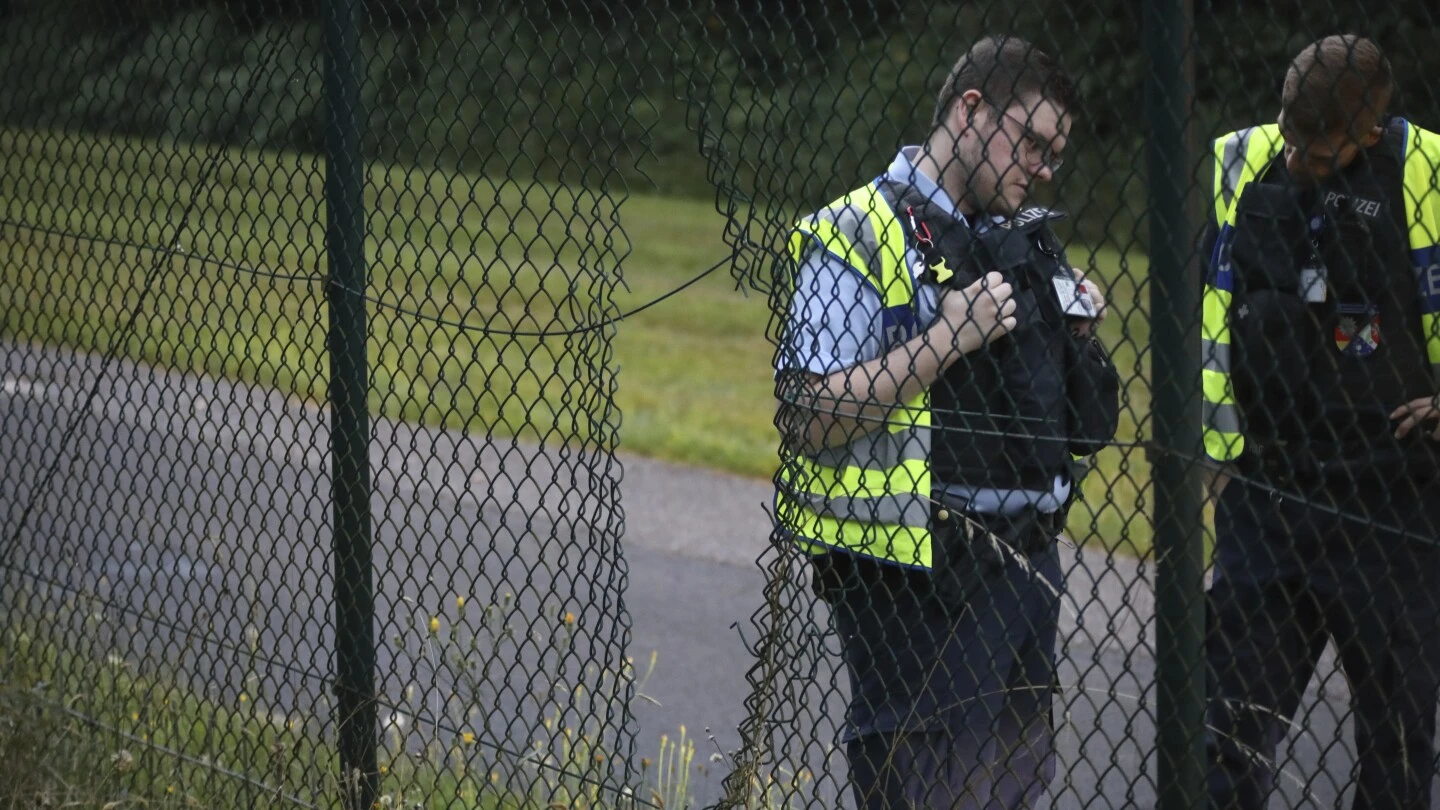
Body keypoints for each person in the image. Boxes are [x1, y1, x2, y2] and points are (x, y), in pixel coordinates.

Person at [769, 34, 1121, 809]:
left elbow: (1085, 429)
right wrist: (946, 341)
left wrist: (1080, 345)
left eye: (1055, 153)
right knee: (925, 790)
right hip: (913, 574)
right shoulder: (858, 229)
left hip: (1028, 564)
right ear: (970, 111)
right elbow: (806, 413)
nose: (1042, 167)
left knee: (1010, 790)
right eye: (1031, 141)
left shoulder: (1027, 238)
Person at [1199, 34, 1440, 809]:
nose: (1297, 160)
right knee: (1228, 738)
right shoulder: (1242, 158)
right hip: (1267, 492)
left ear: (1370, 133)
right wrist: (1214, 451)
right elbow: (1209, 308)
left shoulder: (1428, 171)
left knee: (1396, 749)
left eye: (1319, 153)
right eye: (1290, 138)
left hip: (1392, 499)